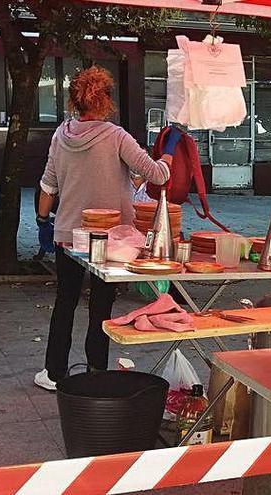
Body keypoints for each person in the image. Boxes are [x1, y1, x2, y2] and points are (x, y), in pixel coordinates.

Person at [34, 66, 172, 391]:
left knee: (64, 301)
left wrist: (43, 223)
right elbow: (155, 174)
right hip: (111, 239)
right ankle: (97, 371)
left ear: (74, 102)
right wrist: (167, 159)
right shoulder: (117, 136)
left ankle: (54, 373)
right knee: (101, 305)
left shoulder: (61, 135)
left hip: (68, 235)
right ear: (106, 100)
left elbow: (48, 185)